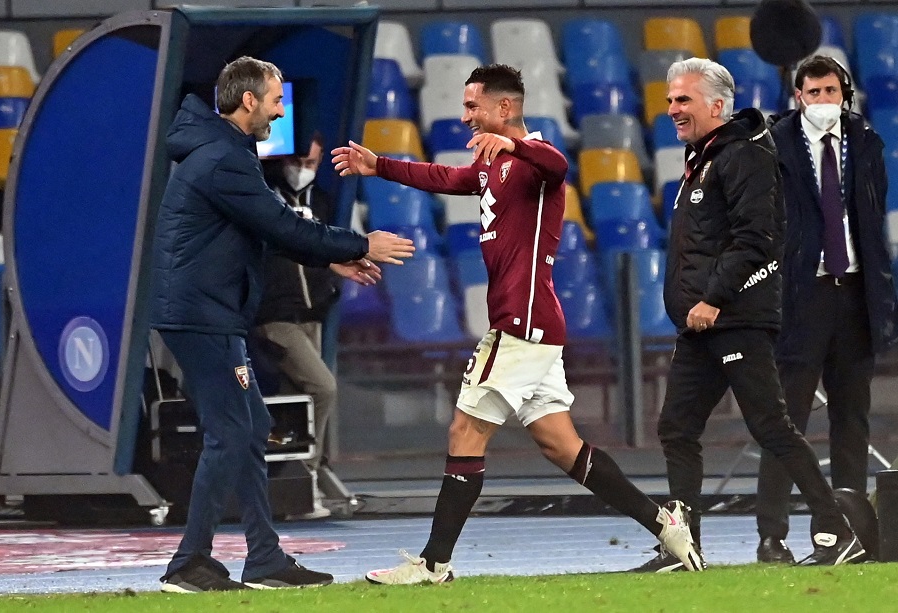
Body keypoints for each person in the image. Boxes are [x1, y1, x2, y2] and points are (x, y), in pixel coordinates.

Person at [331, 63, 702, 585]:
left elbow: (557, 164)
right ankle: (666, 526)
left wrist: (515, 147)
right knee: (561, 446)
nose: (464, 117)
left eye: (472, 106)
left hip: (521, 325)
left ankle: (434, 563)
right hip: (534, 326)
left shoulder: (534, 159)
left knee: (465, 429)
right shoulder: (490, 161)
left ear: (504, 107)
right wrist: (380, 165)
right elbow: (446, 177)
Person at [150, 56, 415, 592]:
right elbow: (278, 223)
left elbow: (268, 227)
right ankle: (188, 564)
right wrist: (360, 243)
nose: (278, 110)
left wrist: (331, 258)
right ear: (248, 100)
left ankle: (264, 559)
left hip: (208, 312)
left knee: (248, 429)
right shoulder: (224, 158)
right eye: (274, 100)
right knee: (231, 433)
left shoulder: (222, 152)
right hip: (202, 316)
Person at [634, 57, 866, 572]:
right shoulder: (705, 158)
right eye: (670, 99)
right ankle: (684, 546)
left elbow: (756, 239)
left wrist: (713, 298)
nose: (672, 109)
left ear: (717, 105)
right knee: (677, 427)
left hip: (732, 317)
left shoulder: (743, 157)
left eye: (683, 100)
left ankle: (837, 530)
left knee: (772, 426)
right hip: (702, 322)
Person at [754, 56, 898, 563]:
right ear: (797, 97)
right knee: (785, 420)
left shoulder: (866, 142)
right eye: (812, 92)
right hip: (800, 298)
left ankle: (846, 535)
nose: (822, 101)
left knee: (851, 421)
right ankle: (772, 535)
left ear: (846, 93)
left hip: (855, 295)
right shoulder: (775, 146)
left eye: (830, 91)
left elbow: (874, 226)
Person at [255, 134, 352, 520]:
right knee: (322, 387)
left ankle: (285, 488)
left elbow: (324, 250)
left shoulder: (322, 201)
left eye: (311, 164)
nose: (303, 170)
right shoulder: (263, 196)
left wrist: (332, 282)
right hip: (274, 316)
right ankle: (306, 480)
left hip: (312, 315)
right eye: (298, 162)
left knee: (298, 401)